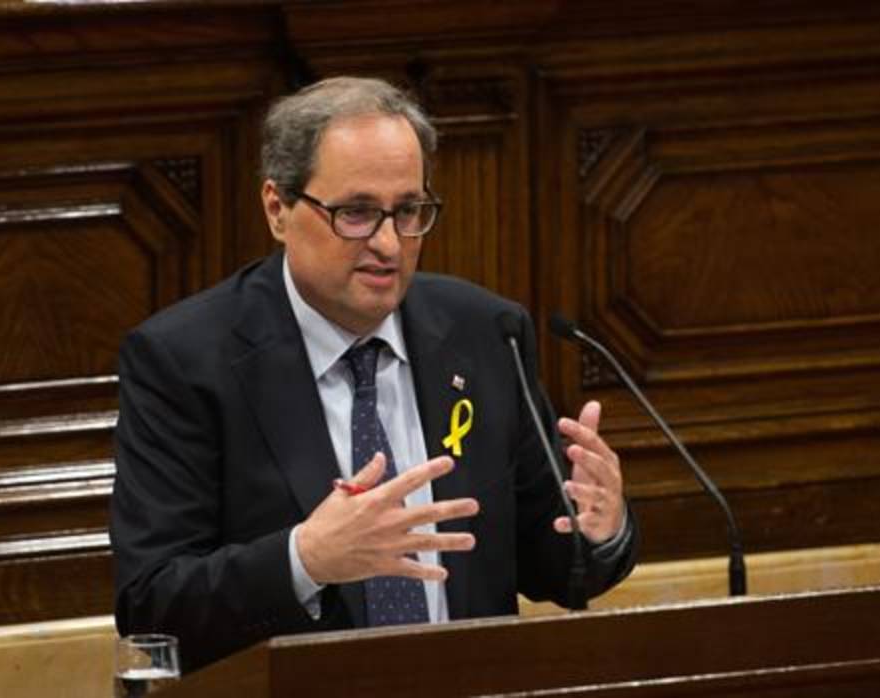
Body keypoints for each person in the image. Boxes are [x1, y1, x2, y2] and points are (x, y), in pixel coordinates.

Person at [109, 76, 638, 672]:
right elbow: (151, 605)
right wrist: (305, 559)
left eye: (408, 211)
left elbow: (557, 569)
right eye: (356, 213)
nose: (389, 243)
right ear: (277, 209)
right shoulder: (184, 360)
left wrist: (601, 527)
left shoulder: (485, 333)